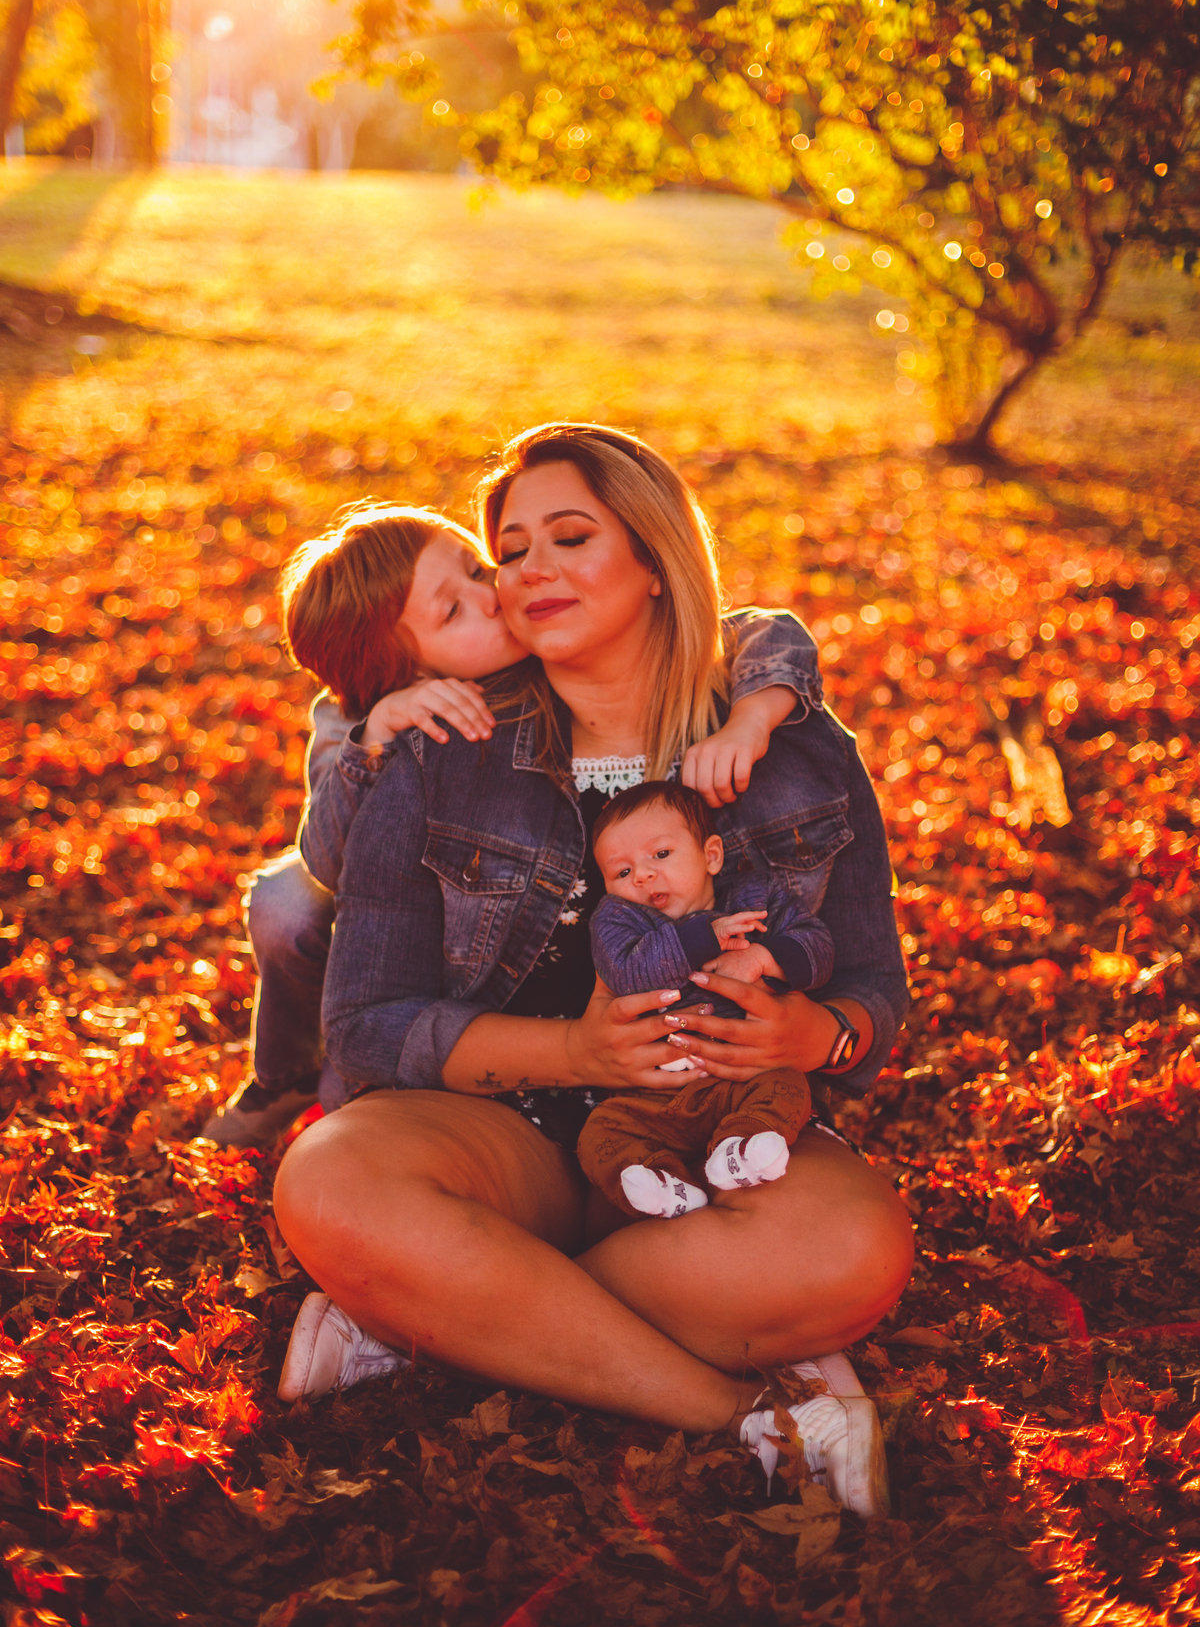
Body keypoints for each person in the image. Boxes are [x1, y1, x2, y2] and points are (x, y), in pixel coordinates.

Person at [272, 424, 912, 1520]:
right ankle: (745, 1414)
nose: (531, 570)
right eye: (509, 551)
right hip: (498, 1136)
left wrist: (813, 1037)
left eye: (571, 536)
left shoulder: (794, 751)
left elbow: (873, 997)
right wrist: (571, 1049)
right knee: (329, 1181)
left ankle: (431, 1313)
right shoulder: (443, 741)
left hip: (708, 1144)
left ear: (654, 560)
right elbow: (366, 1024)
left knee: (858, 1250)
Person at [201, 501, 821, 1144]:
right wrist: (382, 729)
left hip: (465, 929)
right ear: (412, 669)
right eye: (452, 609)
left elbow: (763, 630)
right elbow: (330, 859)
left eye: (476, 568)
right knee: (285, 905)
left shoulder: (545, 641)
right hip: (370, 915)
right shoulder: (360, 719)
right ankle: (285, 1072)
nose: (488, 596)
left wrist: (752, 718)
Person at [578, 778, 831, 1218]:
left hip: (743, 1076)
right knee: (600, 1132)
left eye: (660, 854)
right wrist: (701, 939)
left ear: (711, 855)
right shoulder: (618, 921)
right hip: (654, 1095)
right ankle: (661, 1183)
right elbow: (626, 973)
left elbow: (820, 949)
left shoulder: (757, 899)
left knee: (788, 1087)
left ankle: (742, 1147)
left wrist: (761, 958)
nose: (641, 874)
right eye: (622, 872)